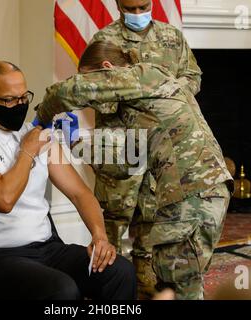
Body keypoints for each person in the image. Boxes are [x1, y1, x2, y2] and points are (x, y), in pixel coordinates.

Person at [35, 42, 233, 299]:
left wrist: (41, 116)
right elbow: (124, 165)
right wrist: (74, 140)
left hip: (192, 193)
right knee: (177, 281)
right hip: (189, 196)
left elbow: (71, 90)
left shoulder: (147, 75)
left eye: (90, 76)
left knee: (178, 286)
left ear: (107, 69)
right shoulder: (136, 106)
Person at [0, 61, 137, 300]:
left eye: (24, 97)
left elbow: (80, 194)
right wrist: (26, 151)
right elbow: (3, 200)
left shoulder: (38, 135)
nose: (19, 105)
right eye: (9, 100)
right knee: (62, 290)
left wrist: (99, 236)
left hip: (46, 248)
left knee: (120, 271)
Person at [85, 0, 203, 299]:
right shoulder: (104, 39)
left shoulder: (172, 37)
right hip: (117, 146)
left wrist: (167, 95)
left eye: (143, 6)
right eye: (130, 8)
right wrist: (132, 95)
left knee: (152, 225)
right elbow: (92, 90)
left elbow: (193, 77)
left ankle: (148, 291)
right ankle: (105, 291)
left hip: (158, 145)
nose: (138, 14)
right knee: (110, 223)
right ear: (117, 5)